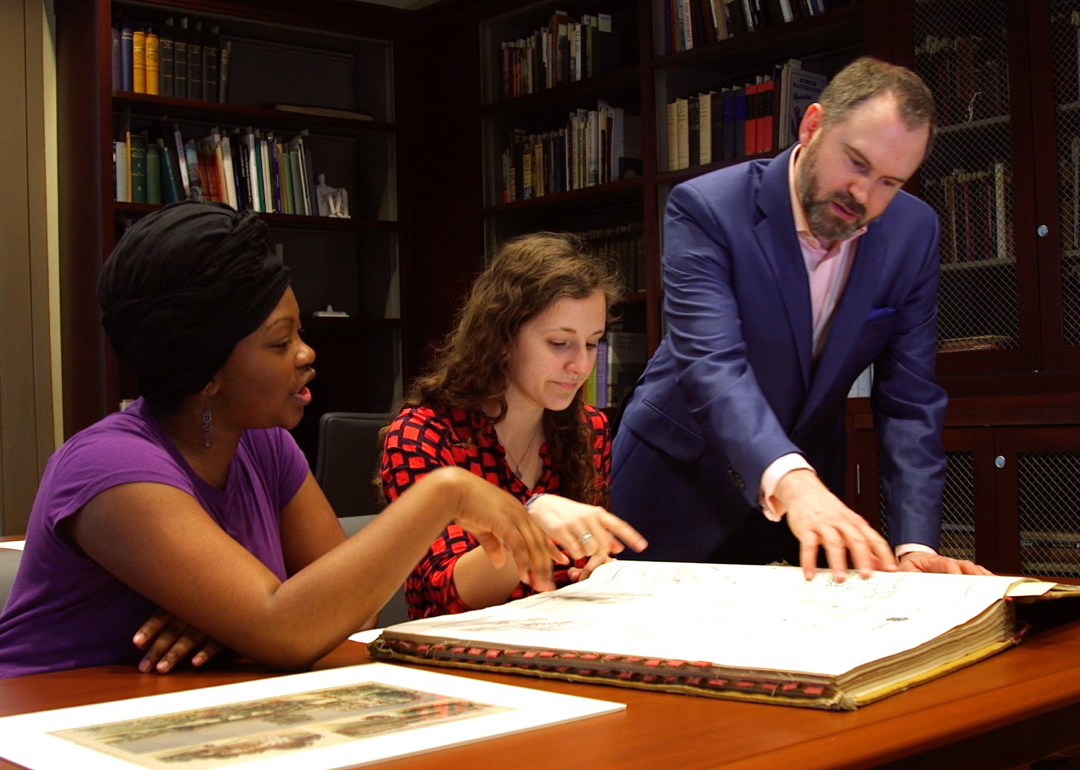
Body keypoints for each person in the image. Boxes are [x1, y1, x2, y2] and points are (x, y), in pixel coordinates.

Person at [0, 201, 562, 679]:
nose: (306, 353)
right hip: (46, 727)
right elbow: (289, 627)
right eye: (279, 342)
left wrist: (234, 626)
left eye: (301, 332)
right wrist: (446, 492)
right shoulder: (109, 466)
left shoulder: (261, 445)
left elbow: (353, 616)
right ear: (207, 372)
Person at [611, 57, 989, 581]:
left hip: (806, 502)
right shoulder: (708, 208)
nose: (864, 197)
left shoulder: (913, 232)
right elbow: (713, 364)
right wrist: (793, 481)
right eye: (856, 163)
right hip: (677, 483)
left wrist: (914, 544)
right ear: (812, 126)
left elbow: (910, 400)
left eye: (889, 182)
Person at [379, 232, 647, 619]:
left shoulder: (588, 428)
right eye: (559, 343)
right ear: (502, 337)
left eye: (592, 344)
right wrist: (527, 522)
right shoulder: (423, 435)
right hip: (452, 656)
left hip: (559, 636)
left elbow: (577, 565)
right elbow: (445, 594)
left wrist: (594, 563)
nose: (580, 366)